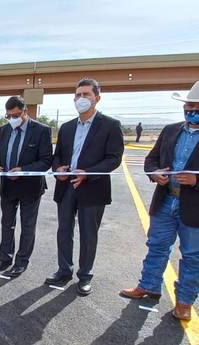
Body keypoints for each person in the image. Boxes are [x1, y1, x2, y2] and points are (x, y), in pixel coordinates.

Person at [120, 80, 199, 321]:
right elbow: (151, 160)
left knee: (192, 255)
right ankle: (148, 286)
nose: (193, 109)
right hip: (166, 200)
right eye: (190, 104)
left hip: (198, 208)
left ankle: (184, 302)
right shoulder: (171, 130)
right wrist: (155, 173)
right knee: (156, 246)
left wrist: (198, 180)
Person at [50, 79, 124, 296]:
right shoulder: (66, 127)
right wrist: (58, 169)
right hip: (66, 187)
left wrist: (88, 173)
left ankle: (85, 276)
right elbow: (57, 157)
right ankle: (64, 270)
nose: (81, 99)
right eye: (78, 95)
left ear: (96, 98)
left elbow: (114, 158)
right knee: (64, 230)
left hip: (92, 188)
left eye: (86, 95)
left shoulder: (110, 125)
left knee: (88, 233)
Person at [0, 96, 53, 278]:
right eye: (8, 116)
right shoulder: (4, 130)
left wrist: (23, 170)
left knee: (27, 225)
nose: (12, 119)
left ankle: (21, 261)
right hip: (8, 185)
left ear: (25, 111)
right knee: (6, 223)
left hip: (30, 187)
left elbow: (46, 160)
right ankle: (5, 258)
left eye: (16, 115)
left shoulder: (41, 130)